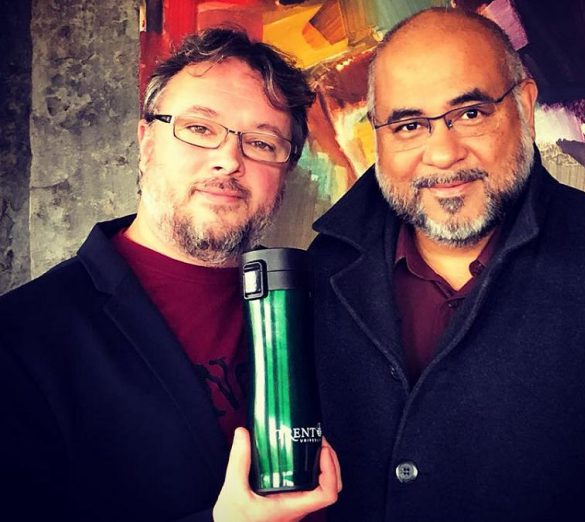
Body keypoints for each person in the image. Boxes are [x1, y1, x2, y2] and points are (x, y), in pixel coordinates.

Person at [309, 8, 585, 522]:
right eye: (408, 124)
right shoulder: (317, 277)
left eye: (470, 113)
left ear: (526, 106)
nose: (442, 153)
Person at [0, 28, 339, 522]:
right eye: (200, 129)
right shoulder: (22, 338)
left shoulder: (322, 304)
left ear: (285, 171)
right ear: (146, 141)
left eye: (262, 142)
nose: (229, 159)